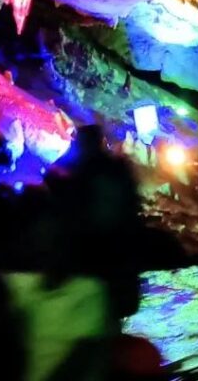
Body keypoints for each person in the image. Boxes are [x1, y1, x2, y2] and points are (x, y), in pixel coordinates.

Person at [43, 124, 145, 322]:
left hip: (92, 256)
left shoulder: (84, 171)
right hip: (117, 255)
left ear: (83, 145)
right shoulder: (117, 168)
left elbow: (57, 184)